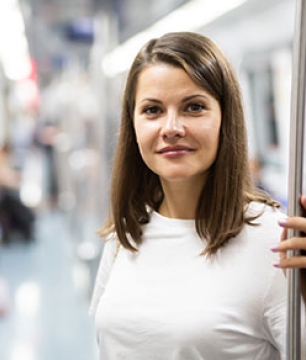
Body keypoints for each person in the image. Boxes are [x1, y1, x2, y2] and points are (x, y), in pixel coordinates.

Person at [89, 32, 305, 360]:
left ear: (225, 119)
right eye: (152, 110)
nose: (171, 127)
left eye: (193, 107)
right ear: (133, 125)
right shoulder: (124, 235)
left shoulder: (273, 241)